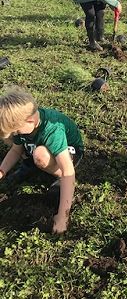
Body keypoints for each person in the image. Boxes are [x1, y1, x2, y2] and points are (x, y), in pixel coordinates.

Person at [0, 86, 84, 234]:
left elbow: (68, 171)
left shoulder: (52, 131)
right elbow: (15, 149)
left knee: (40, 155)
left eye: (16, 131)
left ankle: (54, 175)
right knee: (32, 151)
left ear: (31, 120)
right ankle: (32, 165)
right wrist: (2, 171)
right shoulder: (24, 123)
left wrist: (63, 217)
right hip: (43, 147)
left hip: (69, 153)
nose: (15, 134)